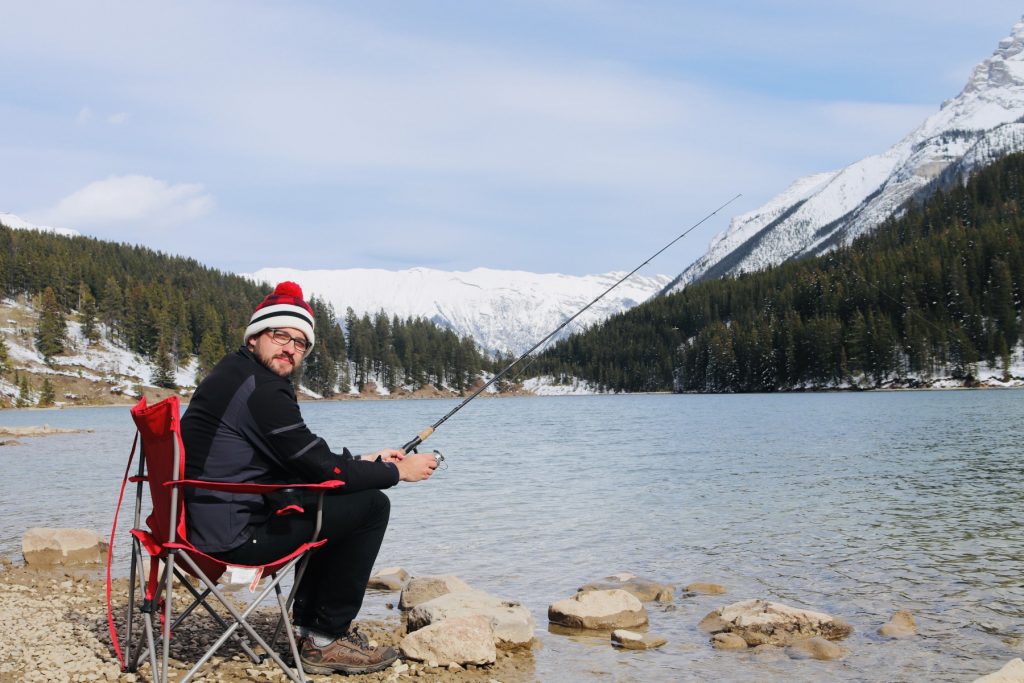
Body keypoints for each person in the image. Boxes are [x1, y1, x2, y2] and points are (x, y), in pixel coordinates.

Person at [181, 281, 437, 675]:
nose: (290, 348)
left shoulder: (233, 375)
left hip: (205, 525)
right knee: (370, 506)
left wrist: (365, 460)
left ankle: (314, 628)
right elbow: (316, 466)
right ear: (255, 336)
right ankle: (322, 638)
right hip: (233, 539)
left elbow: (297, 458)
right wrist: (395, 472)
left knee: (330, 501)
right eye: (279, 335)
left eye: (300, 343)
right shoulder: (263, 389)